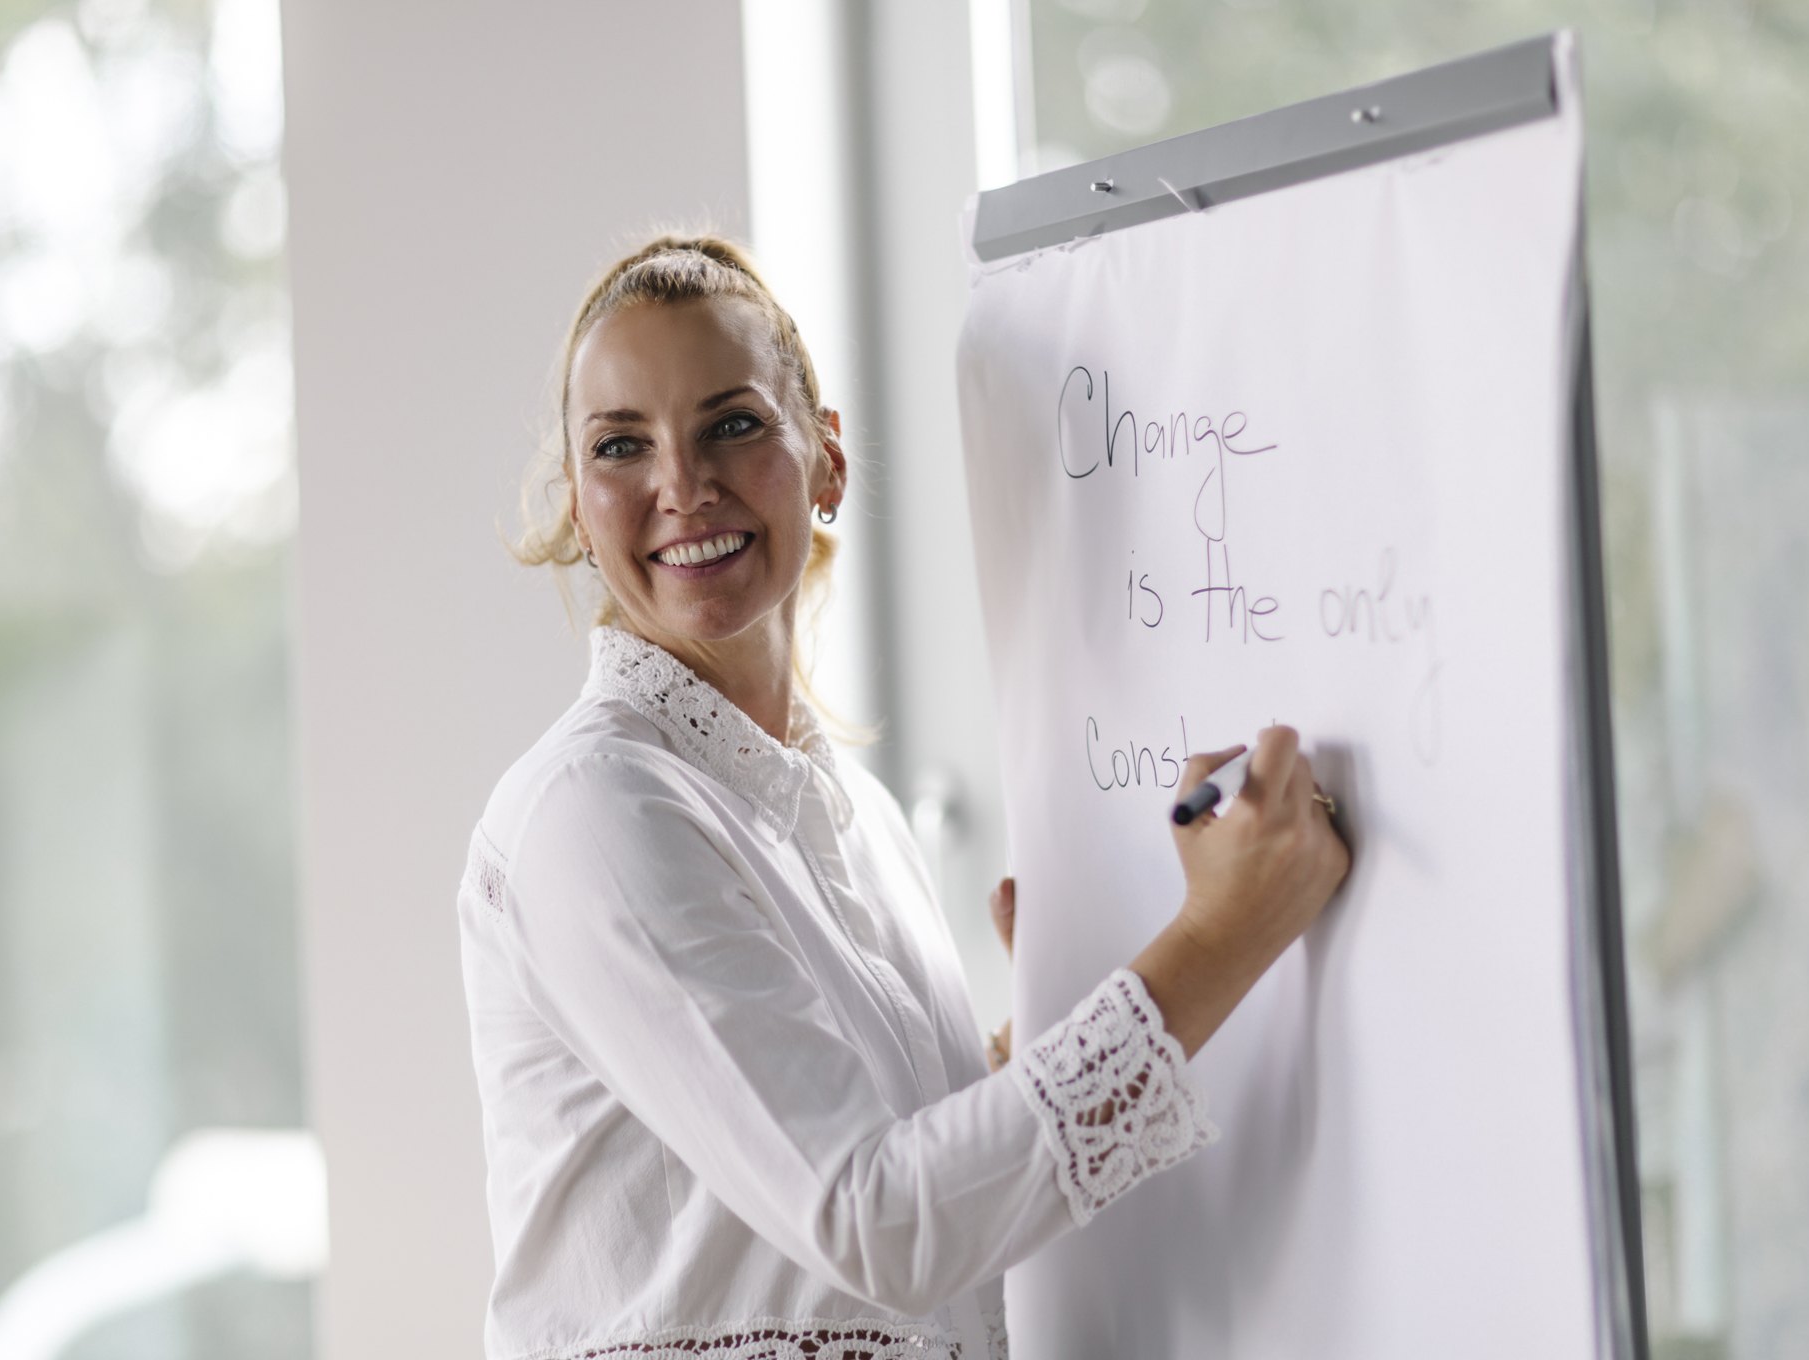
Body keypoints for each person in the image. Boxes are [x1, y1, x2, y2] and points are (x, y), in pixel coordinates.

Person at [457, 234, 1349, 1360]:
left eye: (732, 424)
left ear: (825, 460)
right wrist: (1220, 937)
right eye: (621, 445)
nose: (681, 486)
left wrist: (1027, 1054)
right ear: (581, 509)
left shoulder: (864, 821)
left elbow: (890, 1214)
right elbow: (874, 1223)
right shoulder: (594, 809)